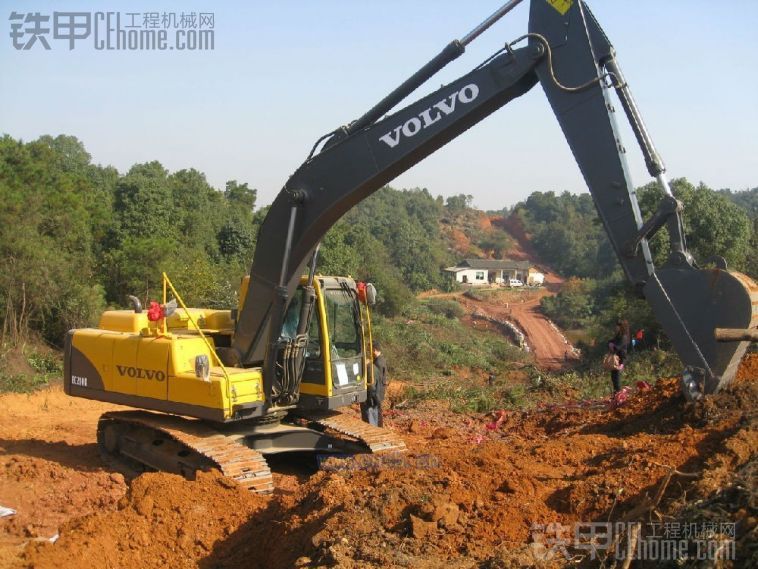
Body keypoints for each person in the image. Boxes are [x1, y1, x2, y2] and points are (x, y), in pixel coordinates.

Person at [361, 340, 388, 427]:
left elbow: (376, 381)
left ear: (374, 349)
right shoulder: (381, 360)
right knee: (378, 413)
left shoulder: (378, 363)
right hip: (379, 392)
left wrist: (374, 397)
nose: (369, 352)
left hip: (376, 393)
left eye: (370, 350)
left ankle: (378, 430)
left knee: (376, 414)